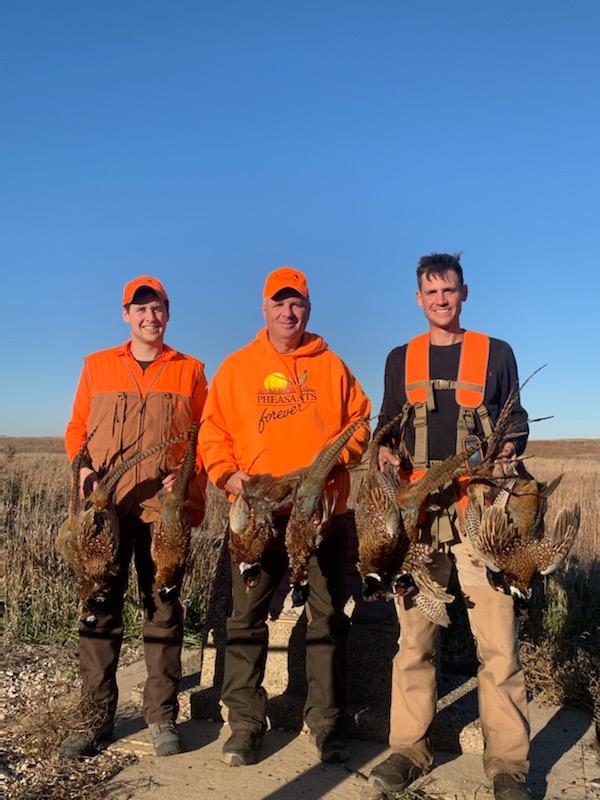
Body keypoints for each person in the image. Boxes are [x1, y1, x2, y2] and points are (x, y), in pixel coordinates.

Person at [368, 253, 531, 800]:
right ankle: (408, 750)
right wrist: (385, 452)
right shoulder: (401, 358)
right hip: (419, 519)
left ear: (464, 293)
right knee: (413, 640)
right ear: (418, 299)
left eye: (450, 291)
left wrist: (508, 445)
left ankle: (508, 764)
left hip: (482, 514)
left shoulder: (496, 352)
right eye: (431, 293)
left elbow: (516, 417)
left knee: (499, 642)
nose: (441, 300)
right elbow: (387, 422)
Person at [199, 266, 370, 767]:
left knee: (327, 619)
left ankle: (327, 724)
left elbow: (359, 423)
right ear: (265, 308)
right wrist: (230, 478)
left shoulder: (332, 367)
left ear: (308, 309)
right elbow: (213, 435)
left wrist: (329, 464)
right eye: (279, 302)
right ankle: (246, 724)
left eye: (296, 303)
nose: (287, 311)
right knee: (246, 620)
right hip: (256, 519)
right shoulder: (236, 368)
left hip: (321, 518)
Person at [60, 275, 208, 759]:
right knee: (98, 608)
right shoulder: (98, 366)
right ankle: (94, 718)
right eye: (139, 309)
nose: (150, 317)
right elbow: (77, 427)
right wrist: (81, 467)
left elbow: (205, 438)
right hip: (107, 511)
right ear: (126, 315)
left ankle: (162, 716)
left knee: (162, 608)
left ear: (168, 313)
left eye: (158, 308)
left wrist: (186, 481)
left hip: (161, 512)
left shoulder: (190, 370)